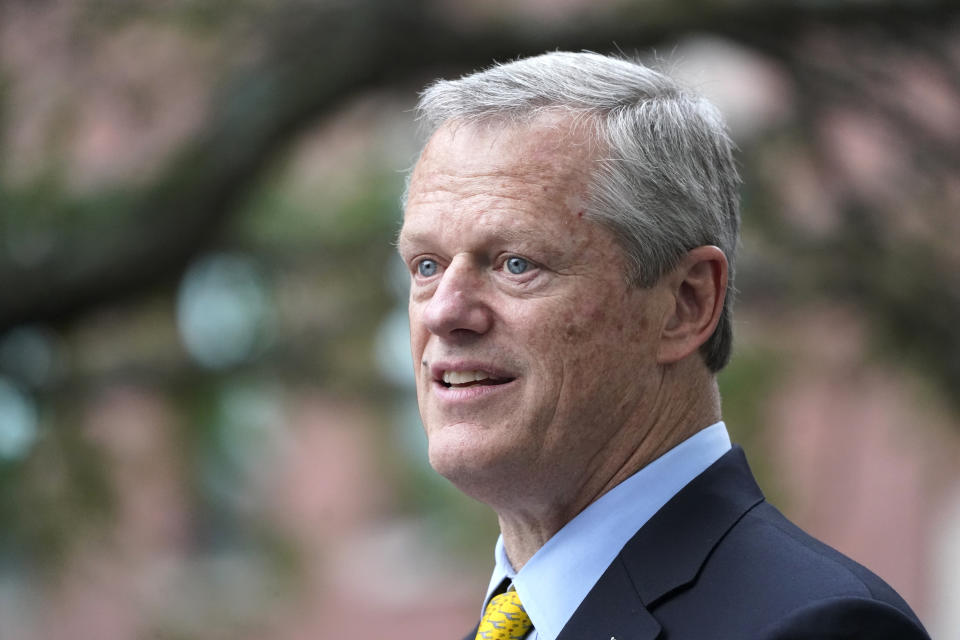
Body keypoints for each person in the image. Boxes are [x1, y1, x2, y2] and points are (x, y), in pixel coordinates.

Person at [396, 51, 930, 640]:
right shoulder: (518, 620)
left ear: (685, 304)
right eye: (427, 265)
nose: (445, 311)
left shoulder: (817, 627)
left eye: (516, 263)